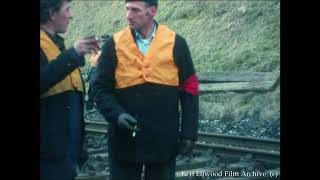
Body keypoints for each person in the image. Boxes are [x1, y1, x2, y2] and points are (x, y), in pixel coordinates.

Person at [93, 0, 199, 179]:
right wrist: (116, 114)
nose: (128, 15)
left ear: (152, 11)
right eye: (127, 9)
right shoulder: (114, 44)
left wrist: (189, 133)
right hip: (124, 139)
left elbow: (190, 89)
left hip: (163, 139)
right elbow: (100, 88)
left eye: (135, 10)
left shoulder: (176, 43)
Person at [40, 0, 100, 179]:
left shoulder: (58, 45)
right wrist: (73, 54)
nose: (71, 15)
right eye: (67, 10)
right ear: (52, 13)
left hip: (64, 152)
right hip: (47, 155)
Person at [85, 34, 110, 111]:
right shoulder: (96, 52)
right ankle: (90, 108)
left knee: (97, 89)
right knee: (91, 90)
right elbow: (91, 65)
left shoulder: (106, 51)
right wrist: (88, 75)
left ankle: (96, 108)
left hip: (100, 71)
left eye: (104, 41)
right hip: (94, 71)